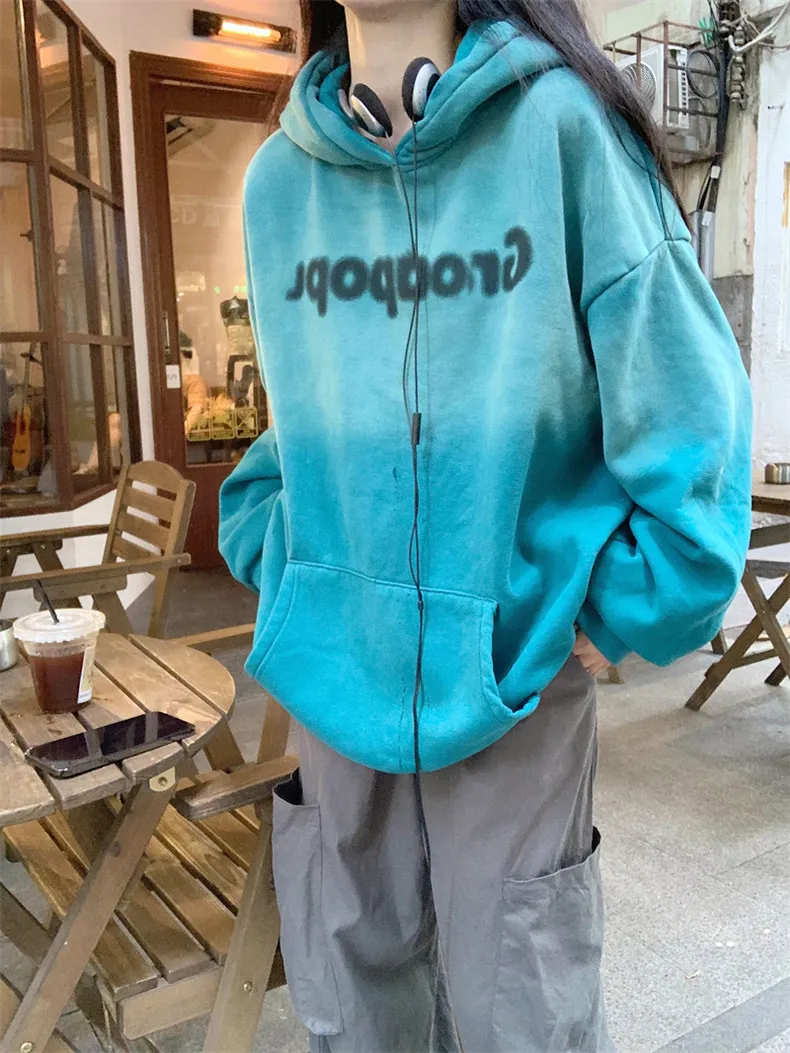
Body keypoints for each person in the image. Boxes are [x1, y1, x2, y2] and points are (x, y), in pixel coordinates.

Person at [219, 1, 753, 1049]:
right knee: (351, 1015)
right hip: (334, 679)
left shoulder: (563, 128)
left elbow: (688, 404)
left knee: (525, 1017)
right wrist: (292, 570)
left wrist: (626, 600)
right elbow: (287, 428)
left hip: (515, 680)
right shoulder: (278, 183)